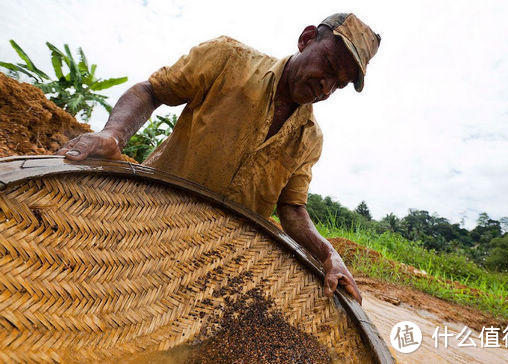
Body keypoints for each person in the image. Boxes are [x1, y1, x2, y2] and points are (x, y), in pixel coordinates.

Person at [57, 13, 381, 305]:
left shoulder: (309, 138)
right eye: (327, 66)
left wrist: (329, 253)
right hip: (146, 227)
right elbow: (151, 91)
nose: (325, 87)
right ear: (307, 39)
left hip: (212, 264)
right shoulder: (229, 59)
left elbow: (292, 208)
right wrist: (113, 134)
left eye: (338, 84)